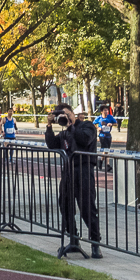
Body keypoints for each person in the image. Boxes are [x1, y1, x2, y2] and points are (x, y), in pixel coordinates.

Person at [44, 104, 102, 258]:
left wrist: (72, 124)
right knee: (65, 205)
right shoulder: (64, 132)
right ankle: (73, 238)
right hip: (68, 171)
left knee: (87, 208)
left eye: (65, 114)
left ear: (72, 113)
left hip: (84, 170)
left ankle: (95, 242)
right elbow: (52, 144)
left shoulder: (87, 126)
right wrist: (49, 125)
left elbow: (84, 140)